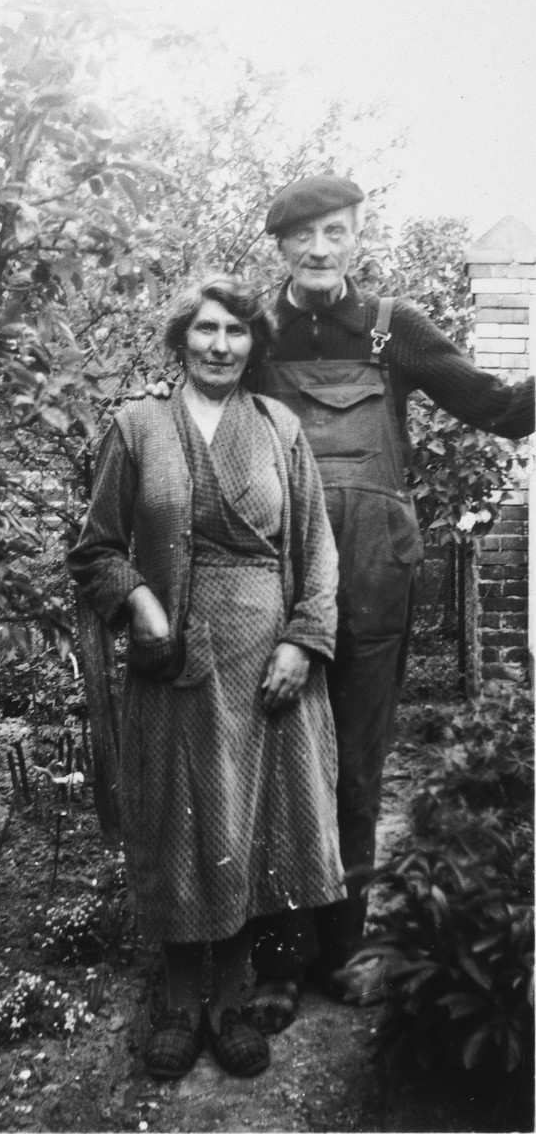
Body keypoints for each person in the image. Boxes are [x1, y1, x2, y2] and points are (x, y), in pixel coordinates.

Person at [247, 174, 535, 1017]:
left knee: (358, 770)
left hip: (376, 576)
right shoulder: (253, 334)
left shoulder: (392, 330)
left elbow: (500, 408)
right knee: (276, 763)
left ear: (356, 237)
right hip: (276, 576)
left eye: (336, 232)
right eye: (304, 237)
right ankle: (276, 963)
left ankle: (342, 952)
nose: (321, 250)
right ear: (283, 247)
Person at [68, 275, 345, 1080]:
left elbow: (318, 552)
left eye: (236, 331)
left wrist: (303, 641)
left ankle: (231, 996)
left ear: (253, 344)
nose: (220, 345)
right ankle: (180, 997)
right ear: (180, 339)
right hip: (173, 659)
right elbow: (95, 549)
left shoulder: (278, 428)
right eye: (206, 330)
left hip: (266, 664)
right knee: (180, 819)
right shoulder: (137, 428)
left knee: (247, 821)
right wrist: (141, 605)